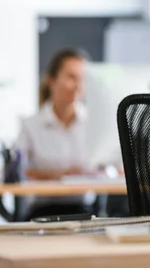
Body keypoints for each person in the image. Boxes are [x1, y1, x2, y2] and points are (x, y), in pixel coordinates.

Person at [15, 48, 94, 219]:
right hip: (41, 211)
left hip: (85, 211)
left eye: (83, 79)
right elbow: (18, 170)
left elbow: (112, 166)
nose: (78, 86)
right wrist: (62, 175)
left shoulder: (93, 124)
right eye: (71, 77)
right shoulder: (31, 125)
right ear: (52, 80)